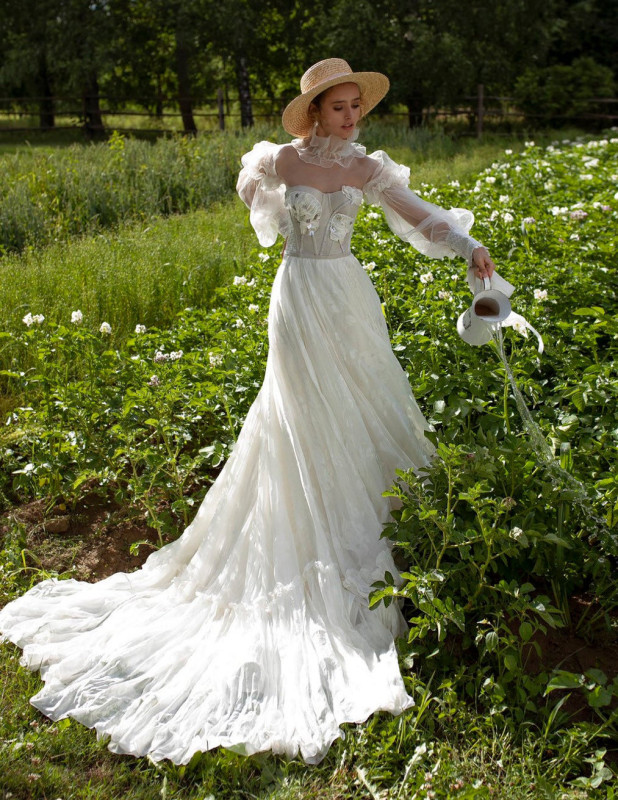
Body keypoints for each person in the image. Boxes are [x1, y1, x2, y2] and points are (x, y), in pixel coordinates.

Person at [0, 58, 496, 766]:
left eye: (359, 107)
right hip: (296, 300)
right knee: (296, 415)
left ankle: (389, 538)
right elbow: (252, 194)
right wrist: (273, 205)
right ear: (315, 110)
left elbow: (420, 218)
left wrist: (467, 245)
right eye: (340, 108)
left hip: (349, 302)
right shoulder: (278, 160)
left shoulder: (366, 168)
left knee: (361, 408)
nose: (352, 118)